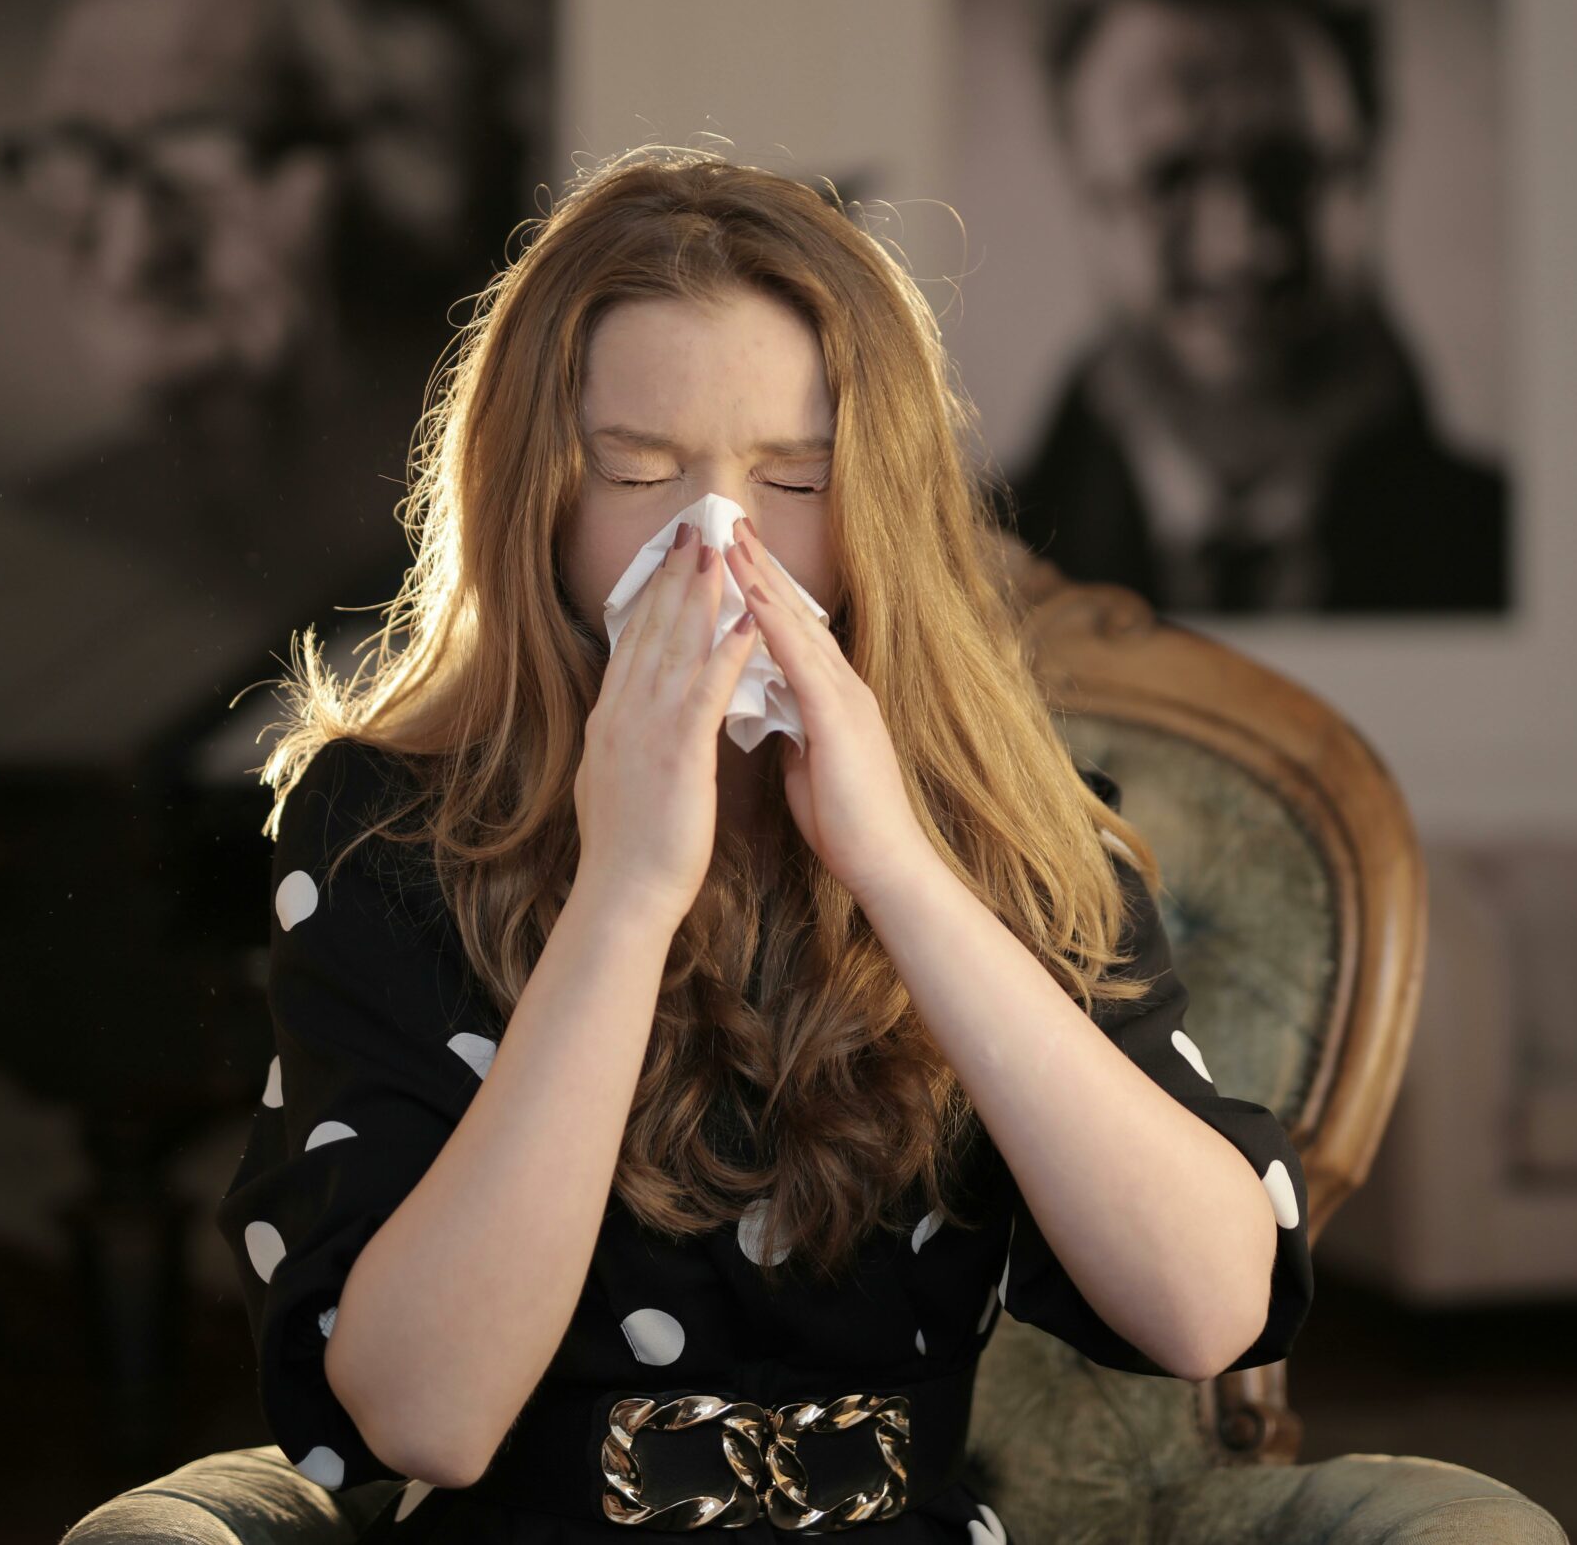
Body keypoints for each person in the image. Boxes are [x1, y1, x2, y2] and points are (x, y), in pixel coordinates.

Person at [214, 148, 1315, 1541]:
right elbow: (426, 1411)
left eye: (794, 481)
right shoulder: (383, 831)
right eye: (638, 469)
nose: (718, 541)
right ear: (535, 499)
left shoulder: (1012, 831)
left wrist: (901, 867)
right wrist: (624, 892)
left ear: (881, 509)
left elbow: (1209, 1307)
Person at [0, 0, 527, 591]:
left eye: (201, 157)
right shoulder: (53, 559)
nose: (130, 256)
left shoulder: (520, 545)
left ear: (412, 170)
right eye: (79, 159)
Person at [996, 0, 1509, 615]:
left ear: (1368, 173)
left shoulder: (1495, 546)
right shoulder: (960, 561)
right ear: (1084, 195)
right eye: (1169, 177)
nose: (1241, 247)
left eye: (1289, 170)